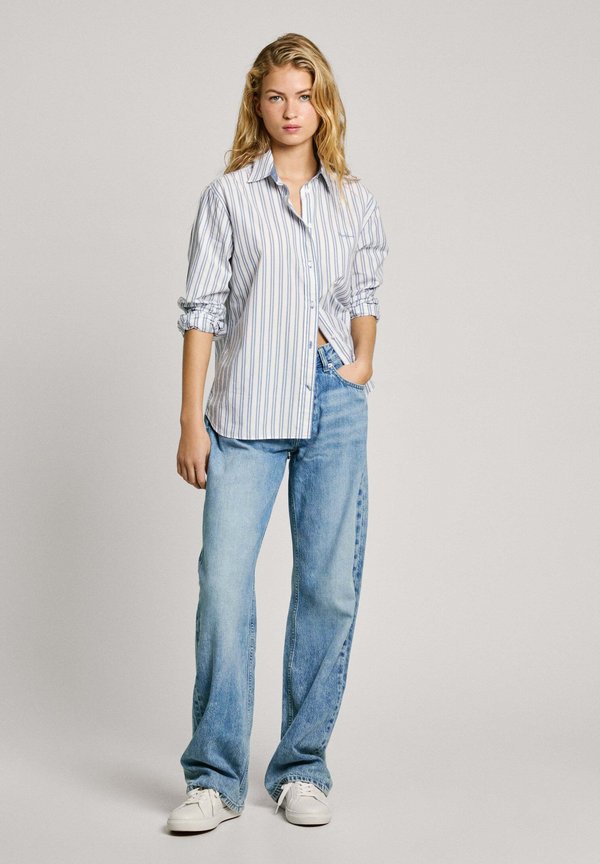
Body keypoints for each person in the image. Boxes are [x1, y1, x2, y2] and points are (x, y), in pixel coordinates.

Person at [167, 32, 389, 833]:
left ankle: (301, 766)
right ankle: (214, 779)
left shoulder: (354, 201)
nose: (291, 111)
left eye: (304, 95)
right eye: (275, 96)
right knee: (225, 588)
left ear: (322, 104)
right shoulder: (228, 197)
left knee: (327, 588)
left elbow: (363, 290)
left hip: (333, 402)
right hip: (245, 413)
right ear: (256, 105)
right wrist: (190, 419)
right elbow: (202, 311)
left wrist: (361, 362)